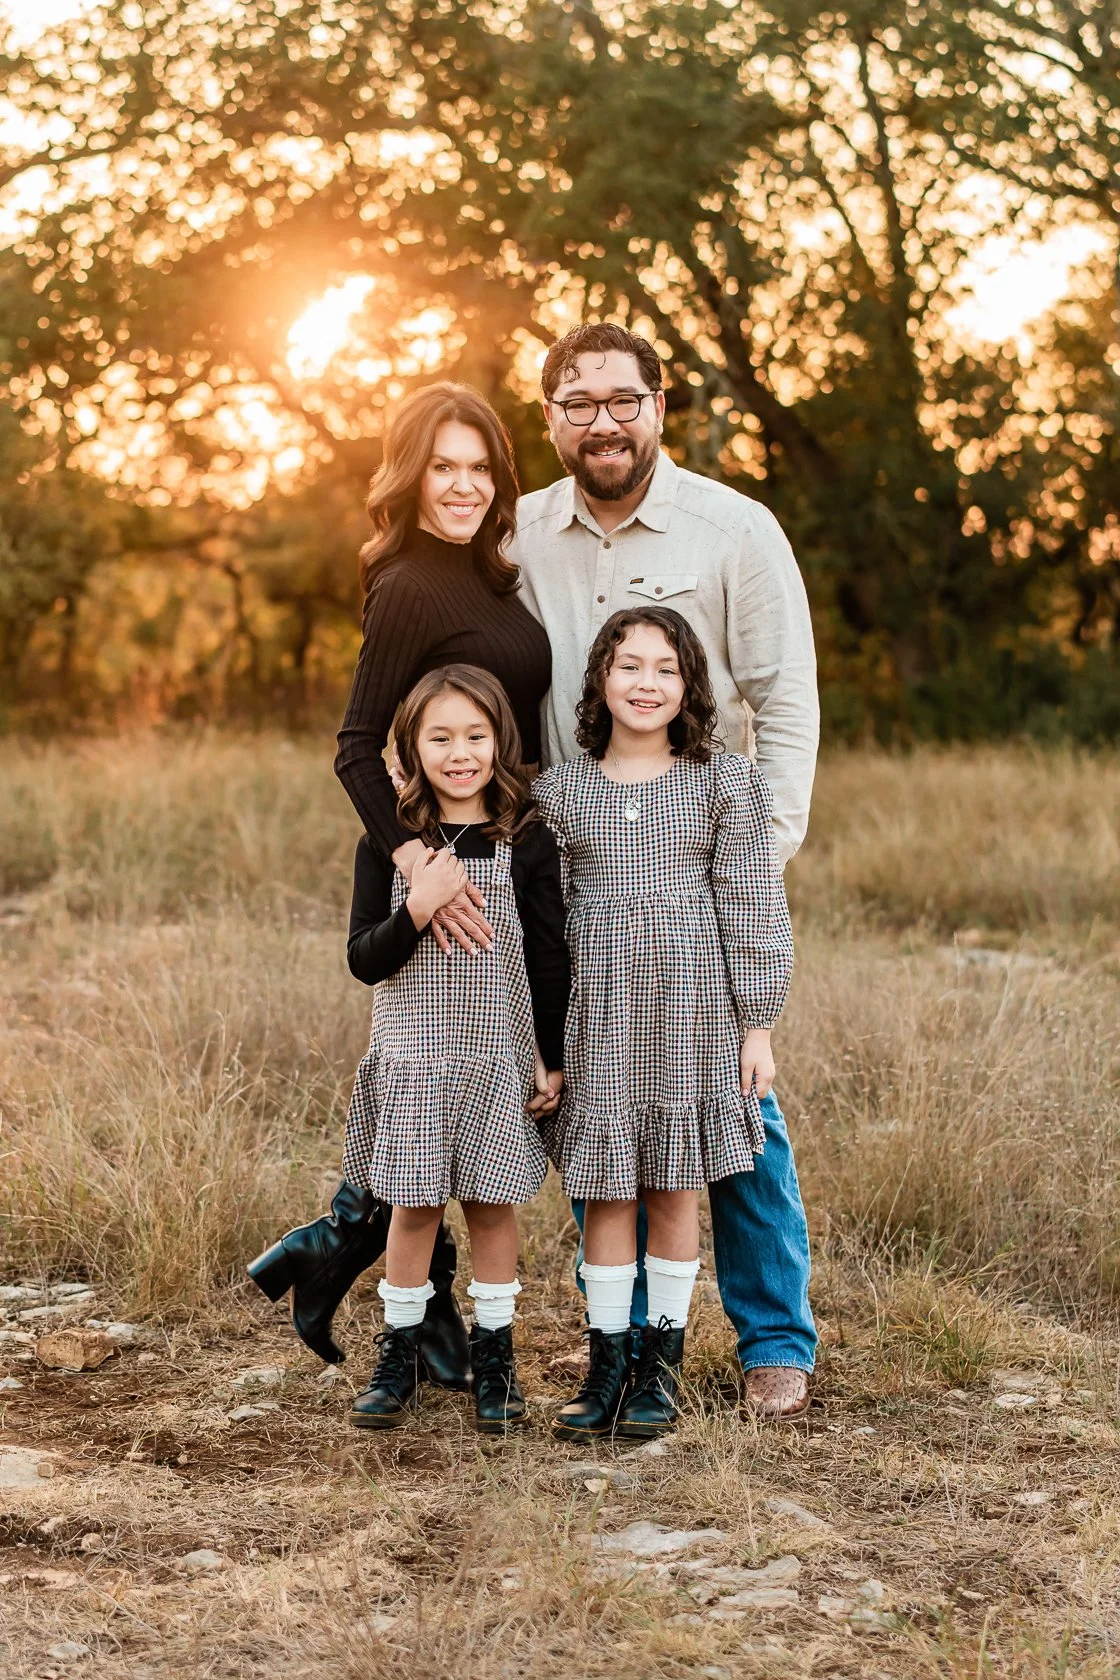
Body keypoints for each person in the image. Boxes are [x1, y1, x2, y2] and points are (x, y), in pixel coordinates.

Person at [512, 322, 819, 1418]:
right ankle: (628, 1339)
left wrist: (757, 850)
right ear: (549, 414)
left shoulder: (732, 528)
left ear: (657, 404)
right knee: (600, 1105)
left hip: (702, 859)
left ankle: (774, 1338)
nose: (602, 419)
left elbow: (782, 699)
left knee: (735, 1112)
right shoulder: (521, 536)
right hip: (581, 863)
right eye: (576, 400)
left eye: (621, 399)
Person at [248, 383, 552, 1390]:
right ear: (410, 476)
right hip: (458, 860)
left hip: (519, 842)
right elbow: (353, 746)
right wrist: (414, 858)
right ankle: (375, 1286)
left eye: (479, 469)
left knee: (473, 1086)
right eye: (442, 468)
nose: (462, 486)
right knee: (434, 1083)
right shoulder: (412, 583)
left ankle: (342, 1254)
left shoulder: (493, 577)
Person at [534, 608, 793, 1440]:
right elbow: (547, 920)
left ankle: (661, 1365)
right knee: (607, 1187)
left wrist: (756, 1024)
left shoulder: (724, 783)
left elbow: (752, 902)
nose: (646, 685)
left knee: (676, 1183)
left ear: (689, 686)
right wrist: (543, 1041)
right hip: (599, 1015)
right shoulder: (561, 793)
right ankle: (607, 1360)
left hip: (694, 1012)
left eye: (665, 670)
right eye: (628, 666)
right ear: (600, 679)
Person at [342, 664, 567, 1432]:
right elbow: (363, 957)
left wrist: (548, 1055)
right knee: (414, 1209)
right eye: (440, 737)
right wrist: (419, 907)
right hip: (414, 1065)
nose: (460, 752)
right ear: (411, 746)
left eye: (475, 735)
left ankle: (495, 1355)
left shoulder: (525, 840)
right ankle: (399, 1349)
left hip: (494, 1061)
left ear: (501, 740)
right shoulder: (391, 845)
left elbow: (546, 957)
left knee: (493, 1211)